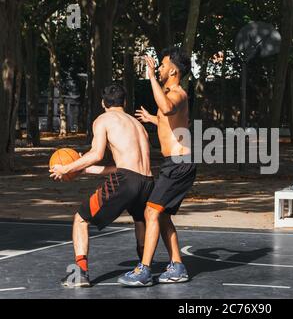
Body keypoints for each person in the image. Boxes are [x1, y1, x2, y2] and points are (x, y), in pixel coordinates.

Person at [50, 84, 154, 288]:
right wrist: (84, 170)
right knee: (140, 219)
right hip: (148, 181)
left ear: (103, 103)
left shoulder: (103, 119)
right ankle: (144, 269)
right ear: (124, 102)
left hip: (126, 180)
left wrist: (66, 168)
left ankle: (80, 273)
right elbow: (123, 166)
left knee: (80, 218)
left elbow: (97, 154)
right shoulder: (138, 125)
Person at [118, 47, 196, 287]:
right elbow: (168, 118)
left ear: (173, 70)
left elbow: (168, 108)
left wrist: (151, 76)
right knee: (160, 216)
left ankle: (143, 270)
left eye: (162, 66)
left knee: (151, 212)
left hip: (179, 164)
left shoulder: (178, 93)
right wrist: (153, 119)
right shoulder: (170, 93)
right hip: (174, 164)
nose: (159, 69)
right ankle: (177, 266)